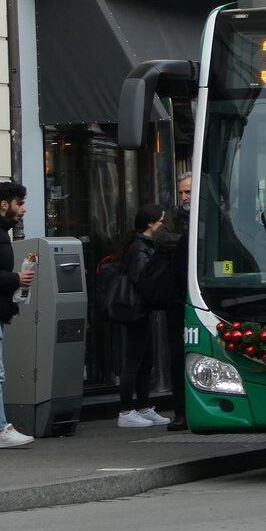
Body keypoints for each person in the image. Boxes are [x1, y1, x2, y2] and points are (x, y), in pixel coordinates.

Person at [0, 182, 37, 449]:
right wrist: (16, 279)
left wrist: (9, 309)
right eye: (19, 203)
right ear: (5, 204)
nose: (23, 209)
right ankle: (1, 429)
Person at [117, 204, 172, 429]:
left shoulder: (142, 245)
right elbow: (142, 279)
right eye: (161, 221)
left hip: (140, 310)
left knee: (145, 360)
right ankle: (126, 411)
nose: (163, 226)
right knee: (134, 362)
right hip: (137, 311)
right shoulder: (140, 248)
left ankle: (142, 407)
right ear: (150, 224)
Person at [153, 173, 191, 432]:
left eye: (188, 192)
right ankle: (181, 411)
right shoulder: (172, 217)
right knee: (177, 356)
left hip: (206, 295)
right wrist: (191, 241)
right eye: (181, 193)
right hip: (177, 298)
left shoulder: (212, 214)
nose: (185, 197)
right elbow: (161, 239)